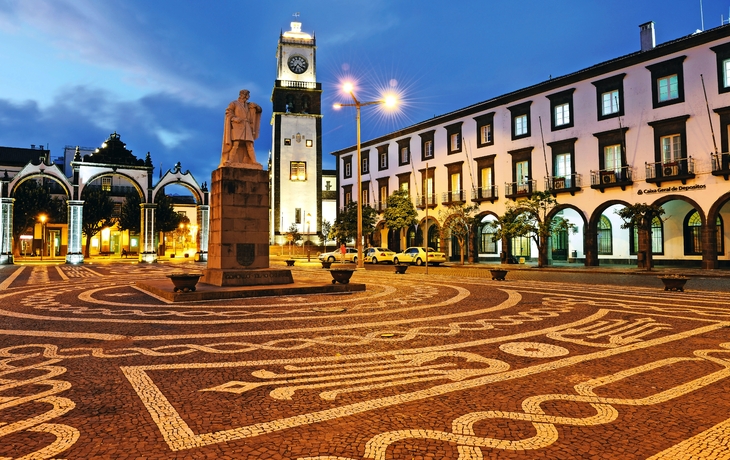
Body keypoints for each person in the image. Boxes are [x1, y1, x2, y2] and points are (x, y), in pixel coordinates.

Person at [220, 89, 263, 168]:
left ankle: (254, 161)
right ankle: (230, 160)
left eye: (248, 95)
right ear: (242, 95)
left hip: (247, 126)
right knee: (236, 143)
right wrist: (234, 118)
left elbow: (259, 110)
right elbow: (228, 112)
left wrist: (256, 106)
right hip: (238, 126)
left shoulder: (249, 105)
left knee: (249, 144)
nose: (248, 97)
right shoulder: (234, 103)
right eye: (247, 95)